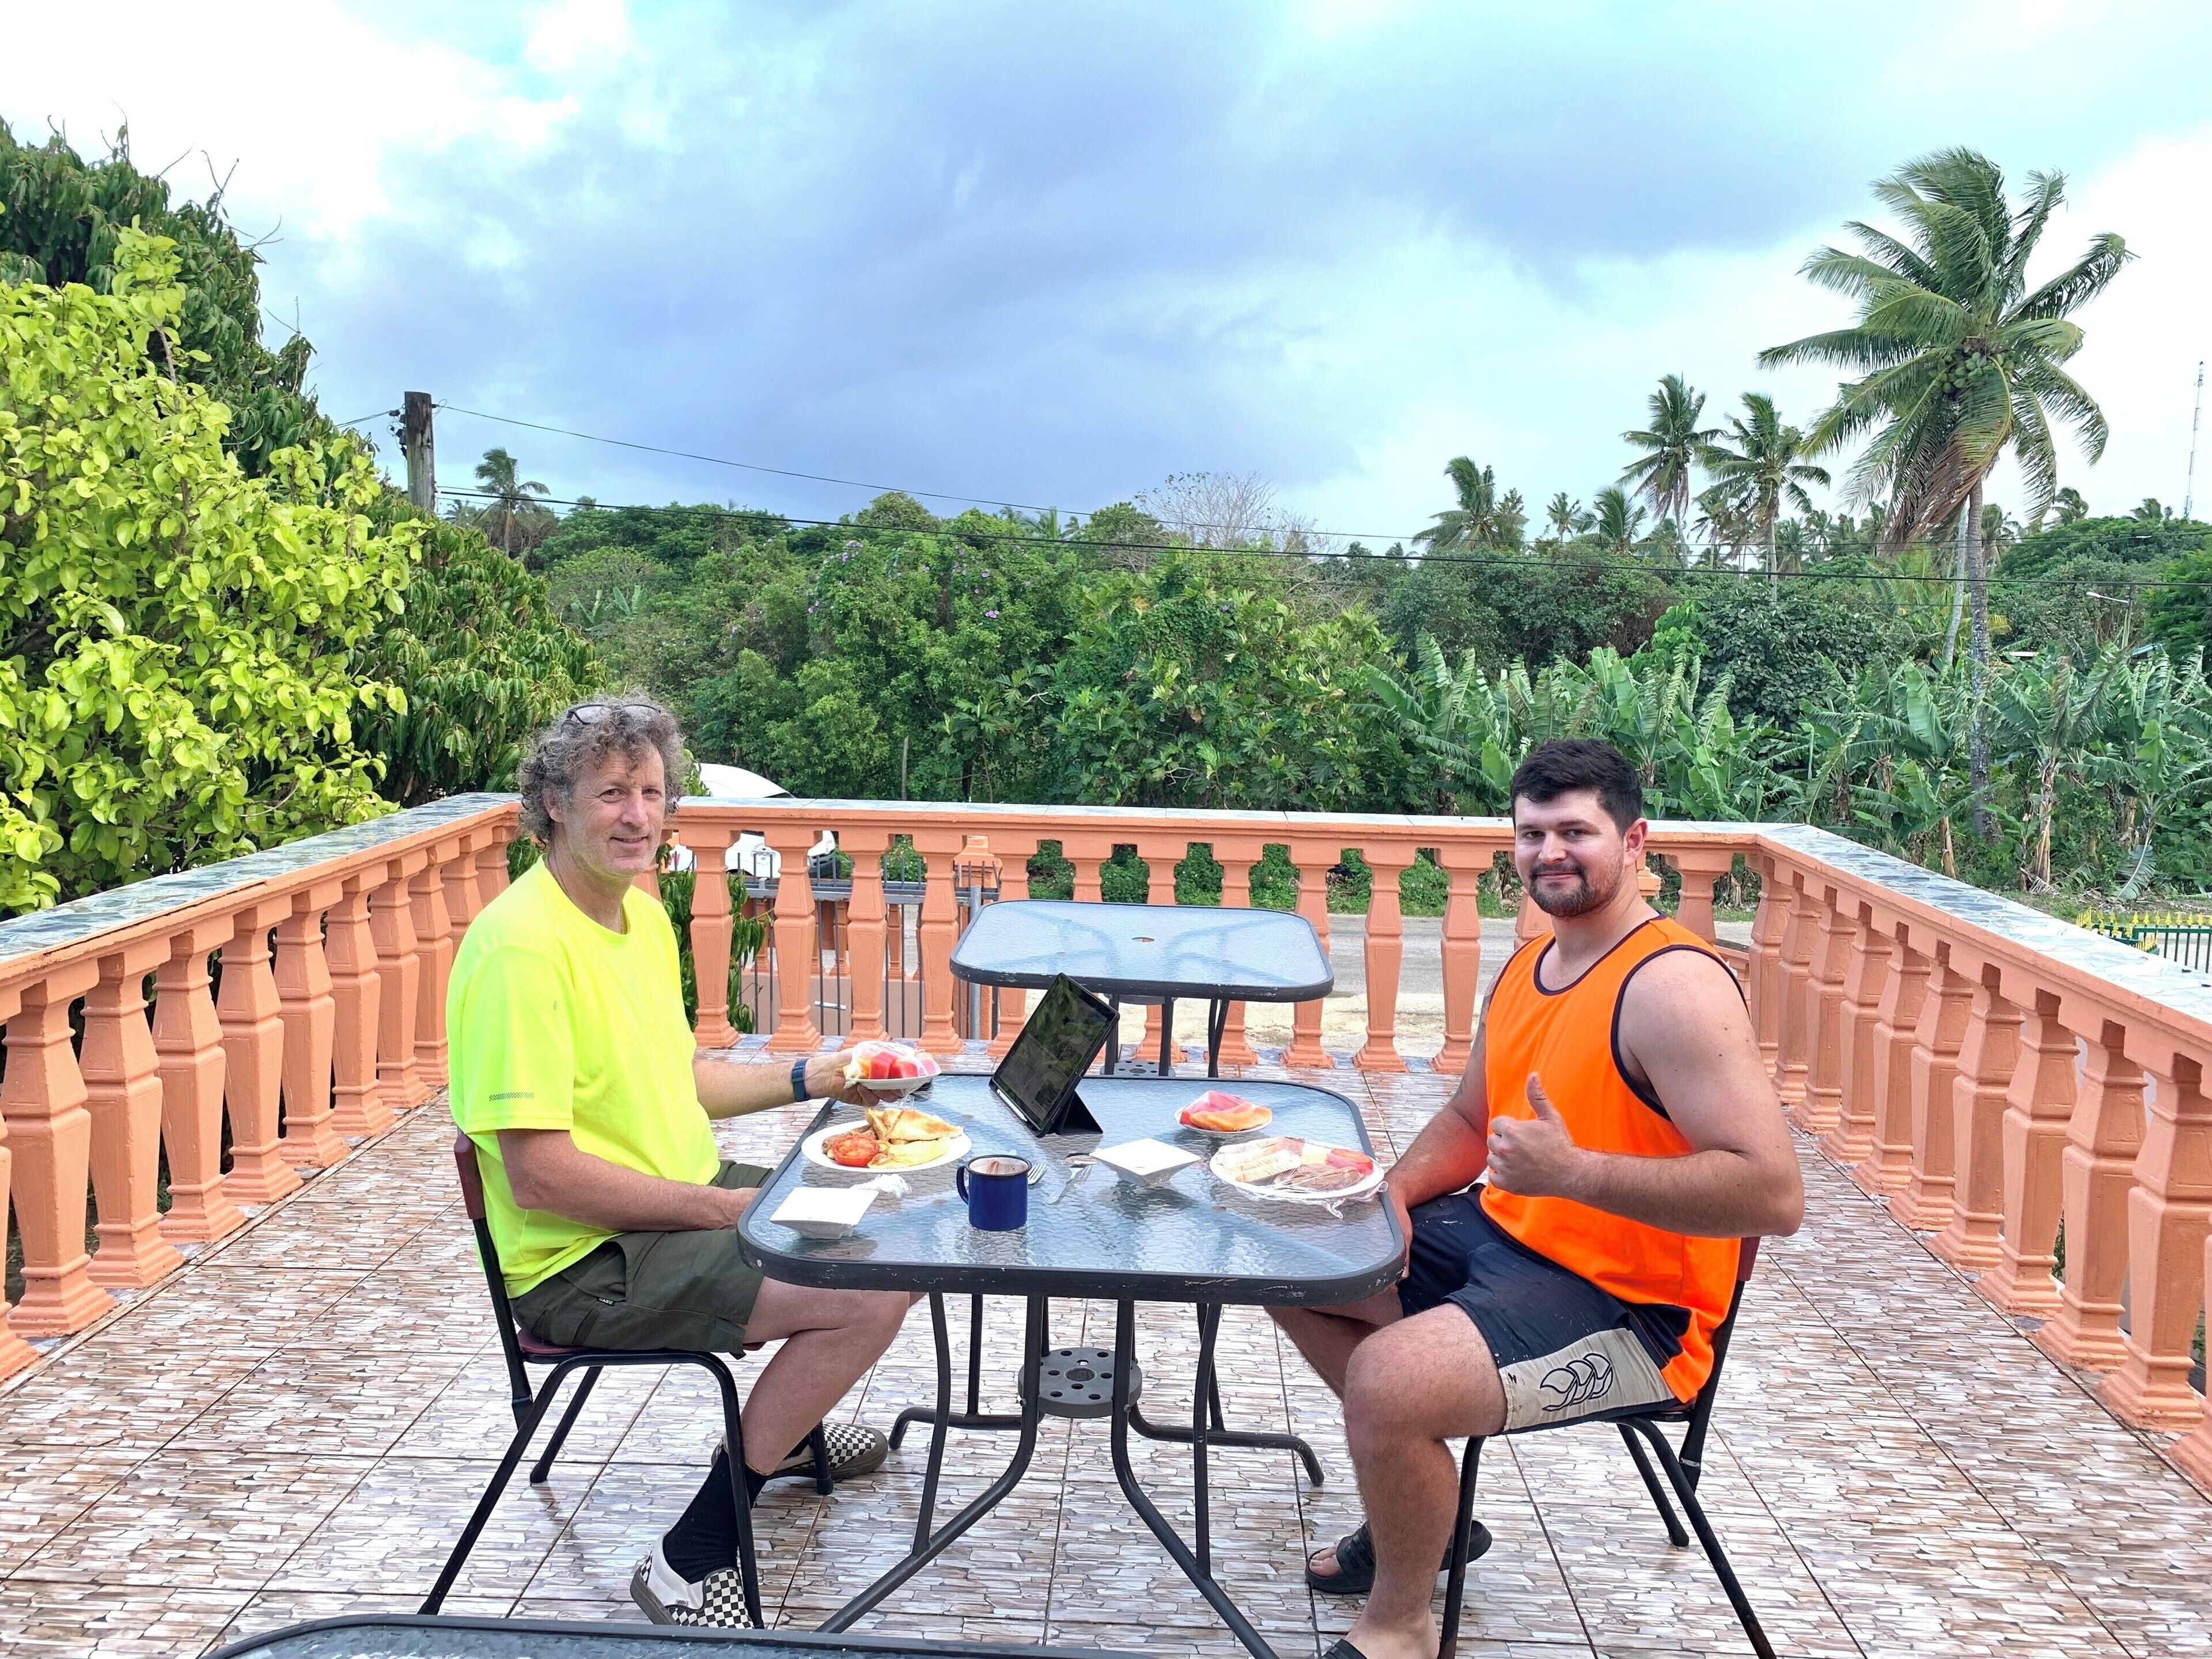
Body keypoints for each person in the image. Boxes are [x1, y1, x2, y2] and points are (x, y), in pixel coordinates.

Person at [1271, 738, 1804, 1659]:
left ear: (1635, 842)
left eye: (1575, 831)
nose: (1550, 852)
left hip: (1637, 1310)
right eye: (1531, 833)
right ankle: (1419, 1520)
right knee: (1294, 1261)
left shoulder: (1672, 987)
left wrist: (1578, 1174)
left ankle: (1399, 1625)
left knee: (1389, 1381)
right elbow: (1470, 1117)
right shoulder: (1529, 966)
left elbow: (1774, 1194)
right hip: (1509, 1242)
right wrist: (1394, 1194)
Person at [448, 696, 915, 1629]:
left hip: (668, 1215)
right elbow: (541, 1177)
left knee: (886, 1221)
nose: (636, 816)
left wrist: (811, 1074)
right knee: (869, 1293)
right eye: (611, 793)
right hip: (586, 1262)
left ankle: (783, 1439)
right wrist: (722, 1213)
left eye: (652, 792)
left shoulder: (639, 916)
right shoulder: (522, 950)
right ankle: (692, 1555)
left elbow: (680, 1079)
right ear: (554, 804)